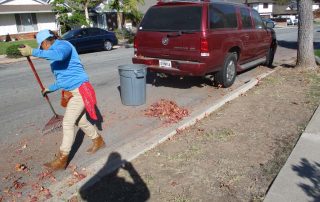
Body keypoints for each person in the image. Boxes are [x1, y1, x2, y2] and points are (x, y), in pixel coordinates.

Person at [18, 29, 106, 171]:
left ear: (46, 42)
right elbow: (63, 77)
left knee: (67, 123)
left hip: (81, 91)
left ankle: (62, 159)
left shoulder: (63, 46)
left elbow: (59, 56)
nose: (42, 49)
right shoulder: (53, 51)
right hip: (73, 91)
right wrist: (50, 88)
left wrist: (33, 52)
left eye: (41, 46)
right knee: (81, 121)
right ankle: (98, 140)